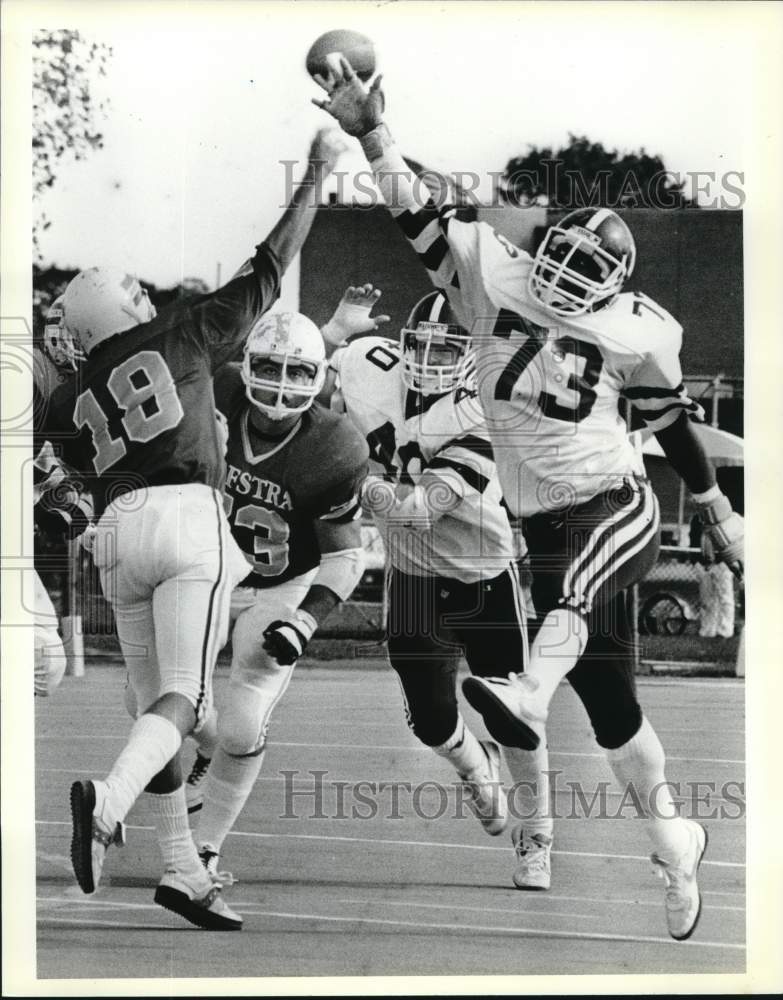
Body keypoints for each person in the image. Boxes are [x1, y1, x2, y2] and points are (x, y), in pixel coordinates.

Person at [313, 64, 744, 941]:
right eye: (562, 253)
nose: (564, 274)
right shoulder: (489, 271)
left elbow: (665, 424)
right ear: (539, 246)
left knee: (572, 608)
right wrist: (371, 134)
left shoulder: (639, 331)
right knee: (614, 704)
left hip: (615, 501)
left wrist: (714, 507)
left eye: (589, 269)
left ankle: (525, 692)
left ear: (617, 289)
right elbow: (414, 214)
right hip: (539, 522)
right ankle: (673, 837)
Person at [37, 129, 344, 930]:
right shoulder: (180, 331)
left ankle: (181, 870)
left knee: (155, 704)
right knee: (185, 694)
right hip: (185, 519)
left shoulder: (66, 401)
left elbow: (55, 490)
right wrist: (313, 176)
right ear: (134, 306)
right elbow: (271, 266)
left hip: (113, 537)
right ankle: (108, 800)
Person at [318, 284, 554, 888]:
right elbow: (297, 388)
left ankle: (537, 837)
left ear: (473, 358)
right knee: (429, 721)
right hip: (414, 579)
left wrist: (349, 487)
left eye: (447, 350)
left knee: (515, 719)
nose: (430, 359)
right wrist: (333, 335)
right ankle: (476, 770)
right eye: (420, 345)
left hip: (483, 579)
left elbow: (420, 509)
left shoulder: (490, 410)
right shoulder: (369, 368)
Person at [191, 309, 369, 879]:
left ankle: (205, 848)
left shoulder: (336, 445)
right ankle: (200, 751)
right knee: (163, 699)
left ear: (319, 381)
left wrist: (305, 621)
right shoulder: (217, 391)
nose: (279, 385)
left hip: (280, 583)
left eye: (298, 374)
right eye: (267, 368)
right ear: (245, 366)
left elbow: (344, 556)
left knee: (244, 721)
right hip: (205, 570)